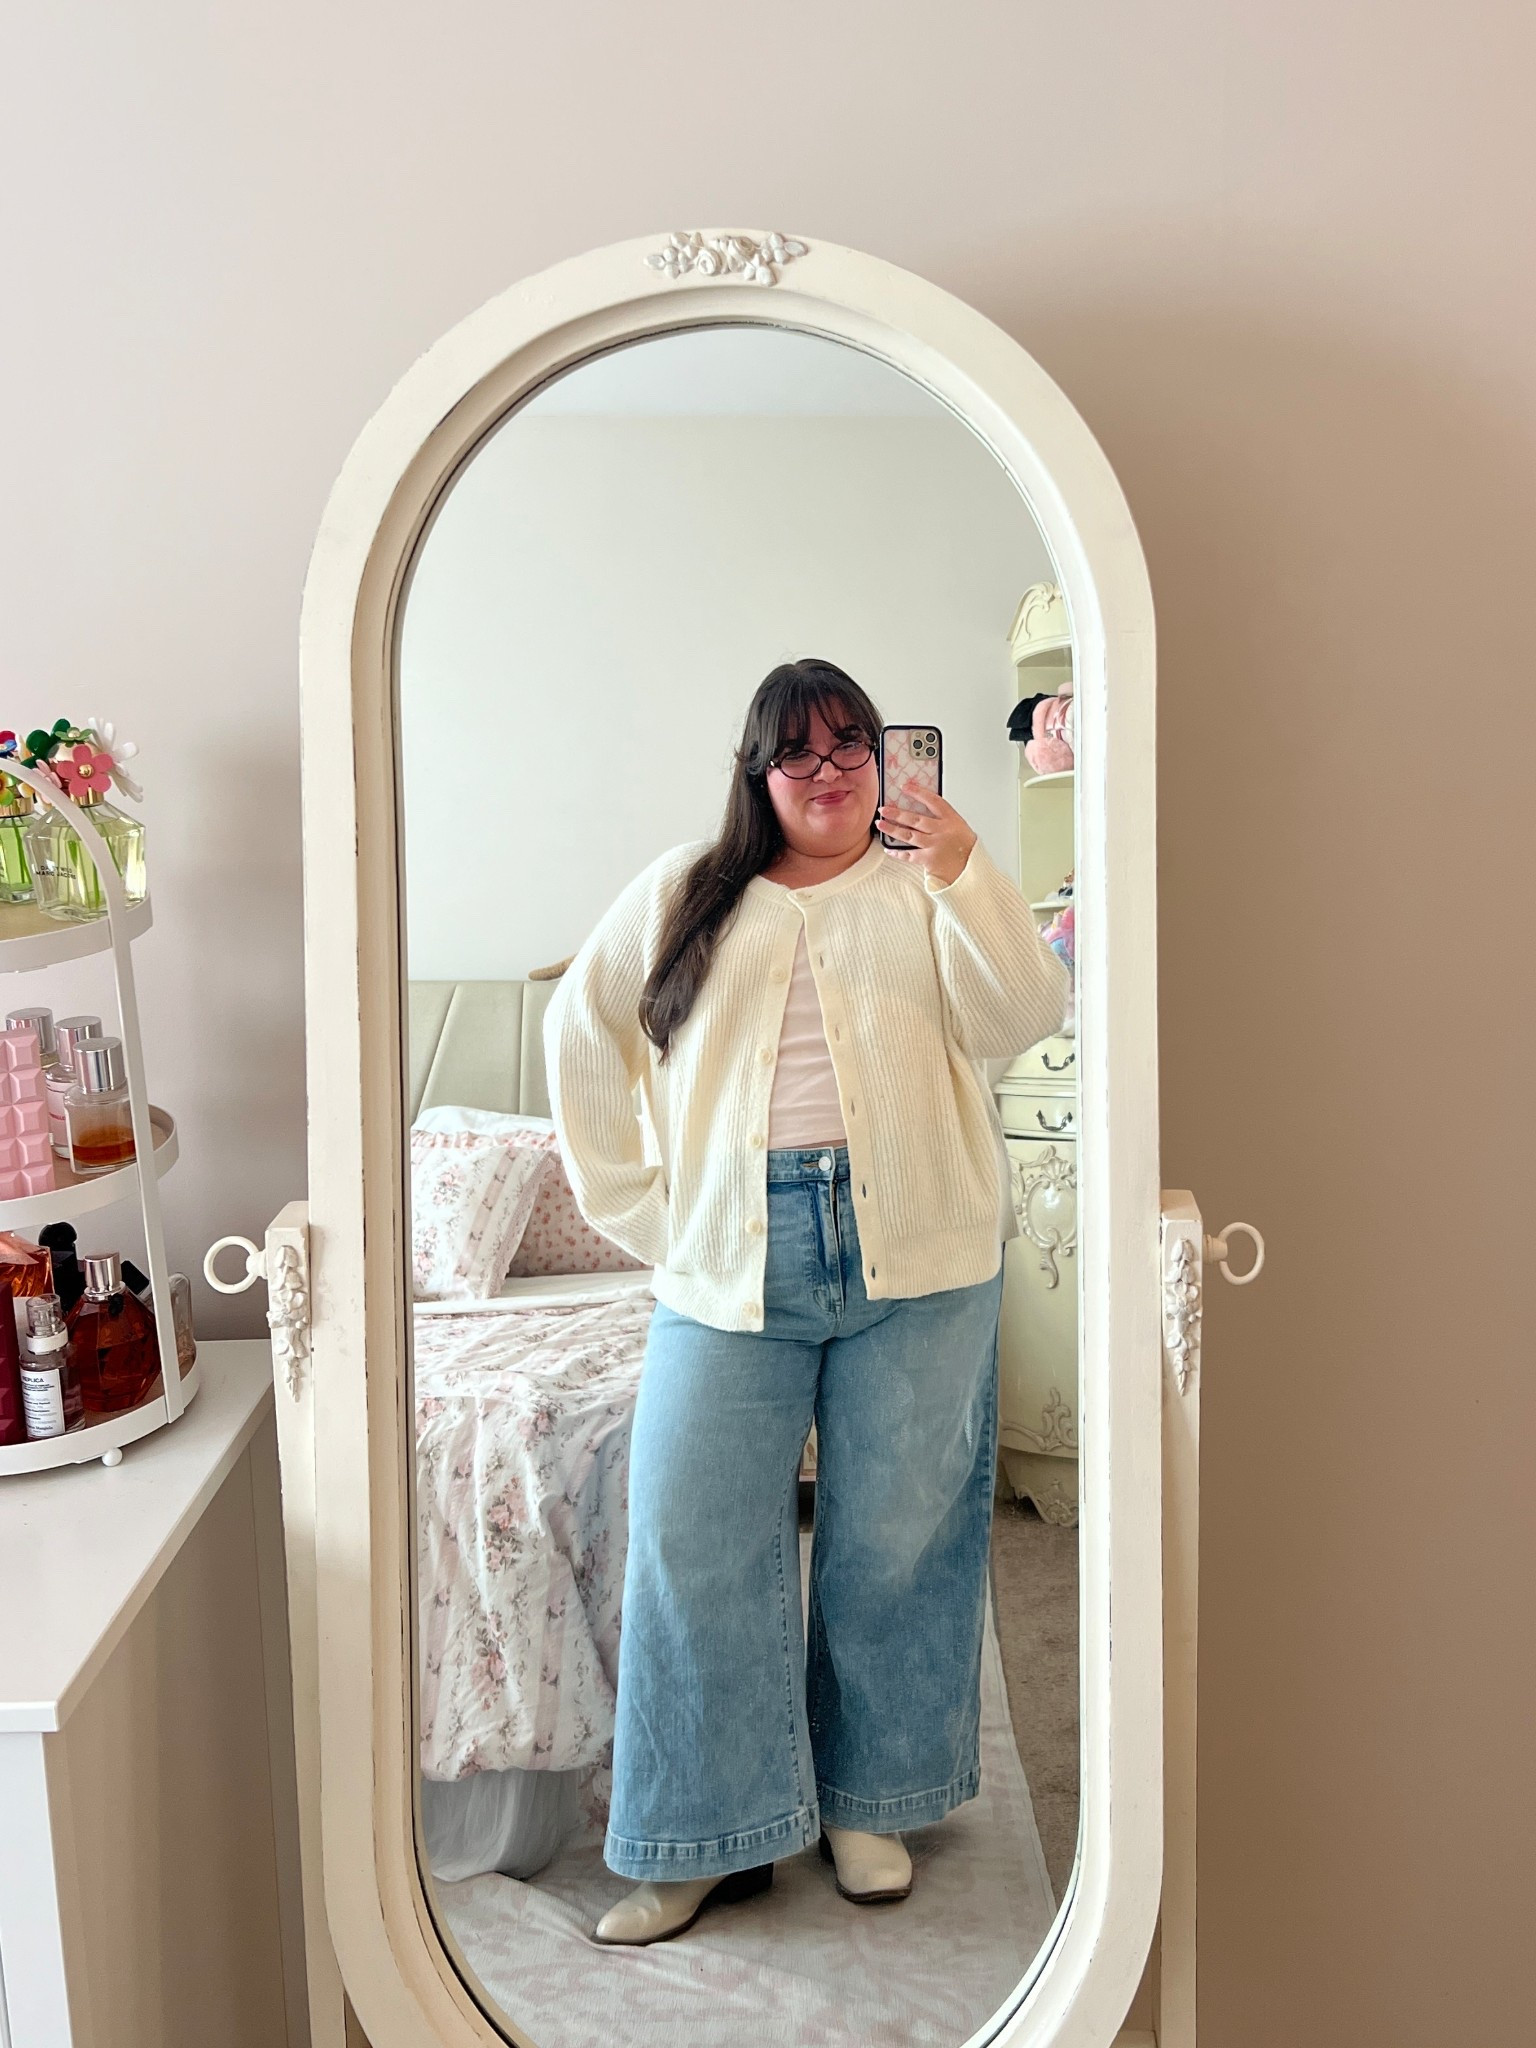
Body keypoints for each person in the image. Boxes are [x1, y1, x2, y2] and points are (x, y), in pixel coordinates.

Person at [544, 658, 1070, 1945]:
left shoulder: (925, 885)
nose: (827, 770)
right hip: (733, 1255)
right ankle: (700, 1834)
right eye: (799, 750)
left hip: (923, 1252)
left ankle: (869, 1801)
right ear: (758, 769)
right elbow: (580, 1028)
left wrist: (963, 868)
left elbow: (1025, 1012)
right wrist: (644, 1210)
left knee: (895, 1537)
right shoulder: (684, 889)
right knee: (691, 1539)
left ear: (884, 760)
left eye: (851, 745)